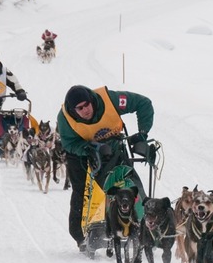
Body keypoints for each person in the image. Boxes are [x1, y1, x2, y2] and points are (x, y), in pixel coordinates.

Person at [57, 85, 154, 251]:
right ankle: (81, 235)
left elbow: (144, 103)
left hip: (113, 144)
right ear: (73, 110)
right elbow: (69, 144)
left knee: (128, 182)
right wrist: (89, 149)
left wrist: (142, 135)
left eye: (87, 104)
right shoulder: (65, 119)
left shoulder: (110, 100)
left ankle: (146, 225)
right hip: (81, 154)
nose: (85, 110)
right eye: (80, 108)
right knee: (83, 191)